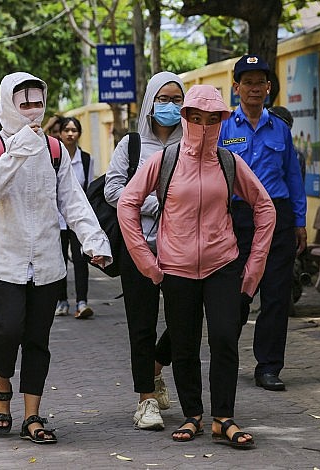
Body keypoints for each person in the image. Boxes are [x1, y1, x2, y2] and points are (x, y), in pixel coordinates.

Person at [118, 84, 275, 448]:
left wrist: (252, 271)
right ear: (187, 118)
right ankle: (193, 416)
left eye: (212, 119)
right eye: (196, 117)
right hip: (175, 268)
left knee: (224, 340)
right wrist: (147, 262)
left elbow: (265, 207)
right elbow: (127, 204)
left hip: (224, 265)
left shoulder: (228, 161)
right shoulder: (165, 160)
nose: (204, 125)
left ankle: (224, 418)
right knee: (184, 346)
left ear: (221, 120)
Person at [0, 72, 111, 444]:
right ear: (8, 105)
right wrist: (20, 146)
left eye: (38, 103)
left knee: (37, 338)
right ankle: (1, 391)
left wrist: (93, 242)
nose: (33, 111)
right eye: (25, 104)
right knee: (7, 330)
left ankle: (32, 415)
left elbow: (72, 200)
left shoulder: (56, 150)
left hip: (48, 262)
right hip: (5, 260)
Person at [218, 55, 308, 392]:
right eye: (248, 82)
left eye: (260, 82)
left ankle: (269, 366)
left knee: (276, 295)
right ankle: (225, 358)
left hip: (278, 216)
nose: (255, 88)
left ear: (268, 88)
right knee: (235, 293)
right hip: (238, 219)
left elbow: (293, 178)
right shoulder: (224, 128)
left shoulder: (281, 130)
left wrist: (299, 221)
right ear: (236, 87)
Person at [104, 71, 185, 430]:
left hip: (182, 250)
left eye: (176, 100)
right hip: (139, 248)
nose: (170, 106)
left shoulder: (194, 143)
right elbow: (113, 190)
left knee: (186, 319)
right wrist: (155, 204)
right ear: (151, 102)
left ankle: (155, 368)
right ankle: (145, 401)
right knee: (142, 324)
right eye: (163, 99)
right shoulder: (132, 145)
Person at [54, 116, 95, 319]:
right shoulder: (52, 158)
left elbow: (88, 191)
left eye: (74, 130)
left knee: (80, 261)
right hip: (55, 220)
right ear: (59, 133)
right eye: (66, 130)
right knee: (59, 261)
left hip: (77, 219)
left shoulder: (86, 160)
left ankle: (82, 302)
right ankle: (61, 301)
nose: (70, 134)